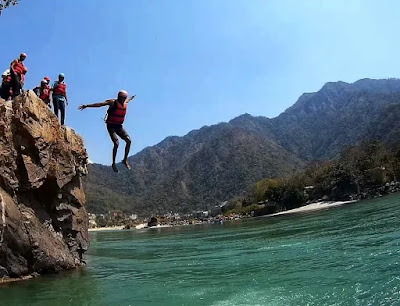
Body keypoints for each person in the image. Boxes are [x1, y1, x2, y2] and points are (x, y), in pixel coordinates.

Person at [78, 90, 135, 172]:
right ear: (118, 97)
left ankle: (124, 160)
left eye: (123, 98)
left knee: (128, 141)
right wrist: (87, 105)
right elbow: (100, 104)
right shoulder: (113, 102)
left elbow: (128, 100)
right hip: (111, 125)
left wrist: (131, 97)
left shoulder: (125, 102)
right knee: (116, 143)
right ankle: (113, 163)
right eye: (121, 98)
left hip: (119, 126)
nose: (122, 100)